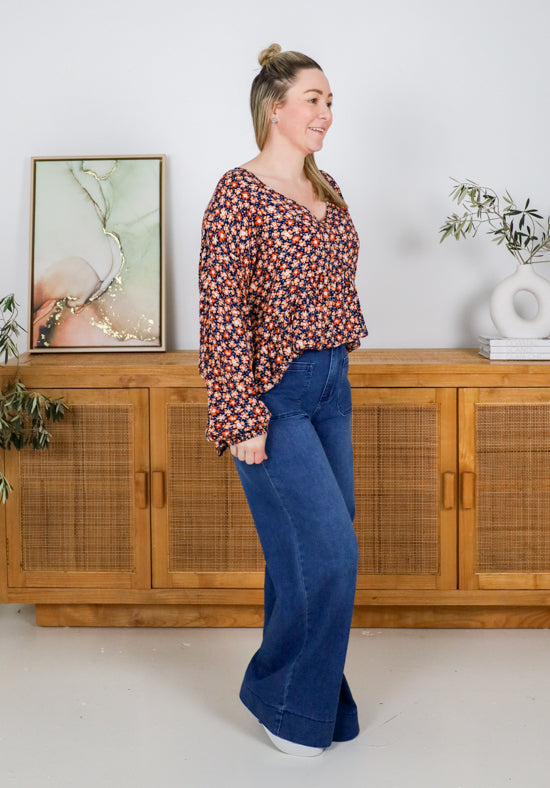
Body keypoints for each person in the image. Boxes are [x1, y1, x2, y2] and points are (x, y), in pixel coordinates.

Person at [199, 43, 368, 756]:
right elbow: (221, 311)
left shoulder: (325, 186)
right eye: (313, 98)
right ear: (276, 107)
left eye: (330, 100)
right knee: (330, 553)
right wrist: (240, 414)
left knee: (303, 553)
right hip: (277, 393)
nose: (326, 112)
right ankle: (282, 699)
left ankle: (312, 698)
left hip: (332, 384)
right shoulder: (237, 193)